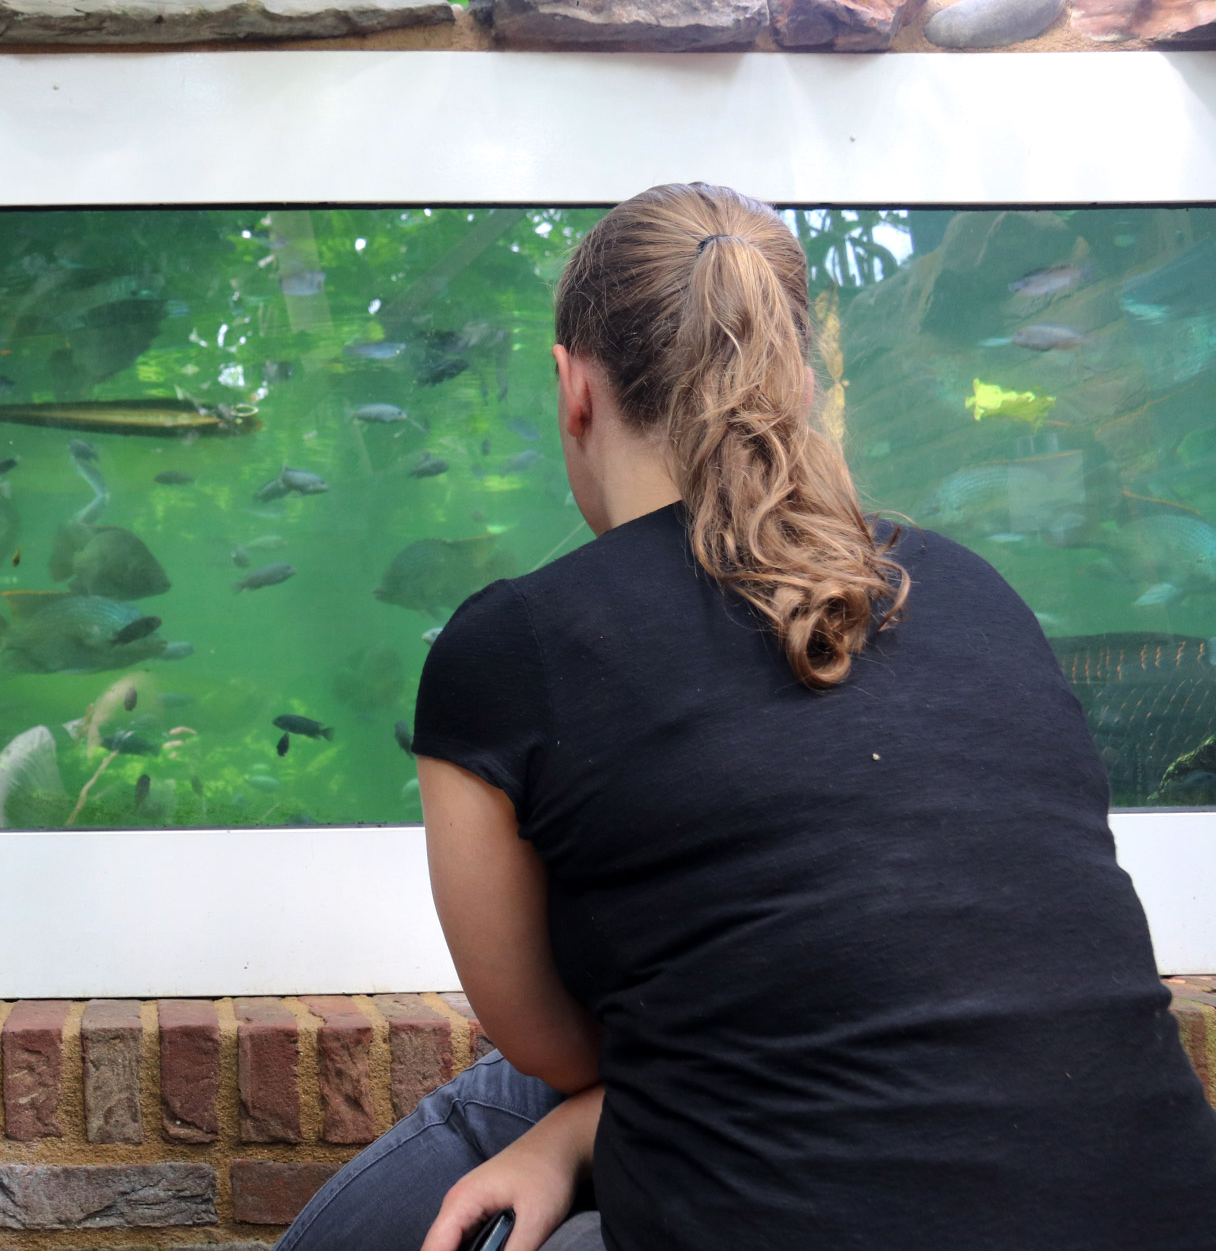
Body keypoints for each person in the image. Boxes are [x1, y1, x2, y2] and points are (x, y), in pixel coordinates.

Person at [276, 183, 1216, 1251]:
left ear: (569, 388)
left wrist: (572, 1124)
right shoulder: (969, 590)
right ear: (801, 383)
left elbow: (552, 1049)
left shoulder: (511, 647)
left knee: (491, 1131)